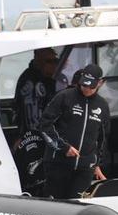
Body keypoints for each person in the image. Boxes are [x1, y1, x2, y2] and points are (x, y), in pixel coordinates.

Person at [39, 64, 110, 199]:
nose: (87, 89)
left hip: (85, 168)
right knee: (56, 205)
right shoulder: (64, 97)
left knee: (78, 204)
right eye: (84, 85)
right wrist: (63, 147)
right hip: (58, 163)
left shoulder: (102, 105)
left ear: (100, 83)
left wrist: (96, 164)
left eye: (91, 86)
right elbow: (44, 125)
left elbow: (103, 138)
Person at [13, 48, 59, 195]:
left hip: (45, 134)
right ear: (39, 61)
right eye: (50, 61)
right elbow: (26, 113)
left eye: (56, 61)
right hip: (33, 137)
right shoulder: (30, 82)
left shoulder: (50, 80)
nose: (54, 65)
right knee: (36, 175)